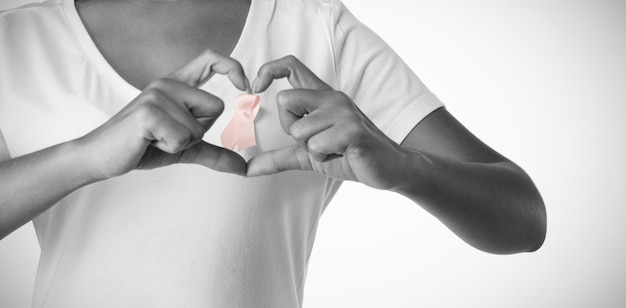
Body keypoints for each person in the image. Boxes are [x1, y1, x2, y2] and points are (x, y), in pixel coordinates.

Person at [0, 0, 546, 307]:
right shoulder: (15, 41)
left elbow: (524, 221)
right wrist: (84, 157)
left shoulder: (317, 30)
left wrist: (406, 168)